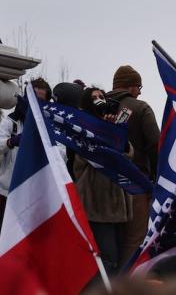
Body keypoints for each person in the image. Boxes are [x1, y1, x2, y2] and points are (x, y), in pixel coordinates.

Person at [72, 94, 132, 277]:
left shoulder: (111, 128)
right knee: (107, 257)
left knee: (117, 255)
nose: (100, 100)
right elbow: (89, 158)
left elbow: (128, 156)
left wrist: (117, 132)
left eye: (102, 96)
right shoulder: (83, 128)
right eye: (95, 97)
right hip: (96, 205)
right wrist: (104, 132)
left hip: (117, 206)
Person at [106, 64, 160, 260]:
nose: (139, 92)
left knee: (108, 240)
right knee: (134, 239)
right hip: (135, 185)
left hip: (103, 187)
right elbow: (156, 145)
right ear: (130, 87)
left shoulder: (96, 105)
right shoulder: (141, 108)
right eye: (139, 87)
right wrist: (156, 177)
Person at [0, 78, 54, 196]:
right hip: (10, 192)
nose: (35, 104)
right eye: (32, 99)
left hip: (41, 193)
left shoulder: (52, 125)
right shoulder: (12, 121)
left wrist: (43, 142)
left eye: (40, 100)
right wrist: (10, 142)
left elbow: (62, 156)